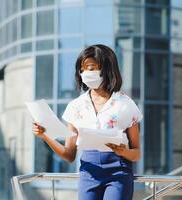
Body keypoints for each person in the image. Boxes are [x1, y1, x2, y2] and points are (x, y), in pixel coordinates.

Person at [33, 44, 143, 200]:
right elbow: (69, 154)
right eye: (82, 69)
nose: (86, 73)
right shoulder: (75, 107)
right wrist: (45, 136)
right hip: (88, 173)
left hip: (119, 172)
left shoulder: (126, 104)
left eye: (91, 68)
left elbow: (137, 153)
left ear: (106, 69)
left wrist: (123, 152)